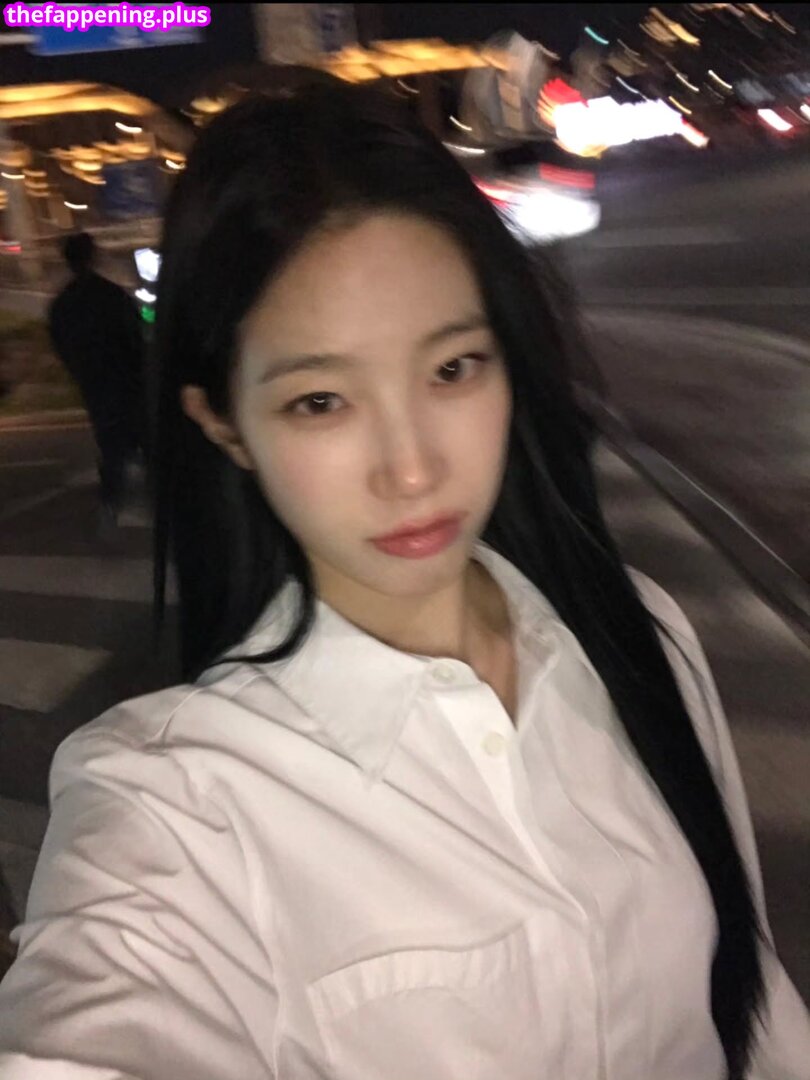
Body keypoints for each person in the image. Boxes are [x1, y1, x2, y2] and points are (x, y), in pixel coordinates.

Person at [0, 81, 807, 1080]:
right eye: (321, 400)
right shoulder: (173, 809)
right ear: (223, 423)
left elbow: (756, 1012)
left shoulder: (642, 634)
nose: (413, 470)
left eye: (453, 370)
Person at [47, 231, 145, 527]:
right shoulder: (112, 296)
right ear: (92, 257)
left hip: (94, 383)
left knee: (111, 441)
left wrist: (80, 371)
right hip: (126, 380)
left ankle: (111, 502)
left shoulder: (62, 305)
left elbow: (60, 345)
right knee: (145, 437)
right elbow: (135, 338)